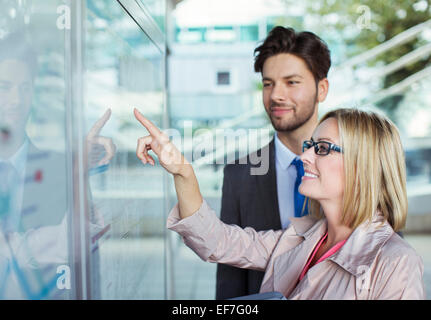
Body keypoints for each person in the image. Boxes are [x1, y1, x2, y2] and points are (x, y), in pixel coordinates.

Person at [134, 107, 425, 299]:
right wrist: (184, 171)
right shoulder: (301, 237)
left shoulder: (395, 262)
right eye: (310, 146)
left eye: (322, 148)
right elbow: (217, 242)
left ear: (365, 165)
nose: (304, 156)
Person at [216, 26, 331, 299]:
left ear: (322, 89)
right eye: (268, 83)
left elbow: (385, 254)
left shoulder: (359, 165)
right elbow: (231, 278)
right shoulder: (238, 175)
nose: (276, 95)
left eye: (291, 82)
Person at [0, 32, 114, 299]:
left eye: (25, 88)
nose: (17, 100)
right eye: (4, 87)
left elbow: (84, 262)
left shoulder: (60, 170)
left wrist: (79, 169)